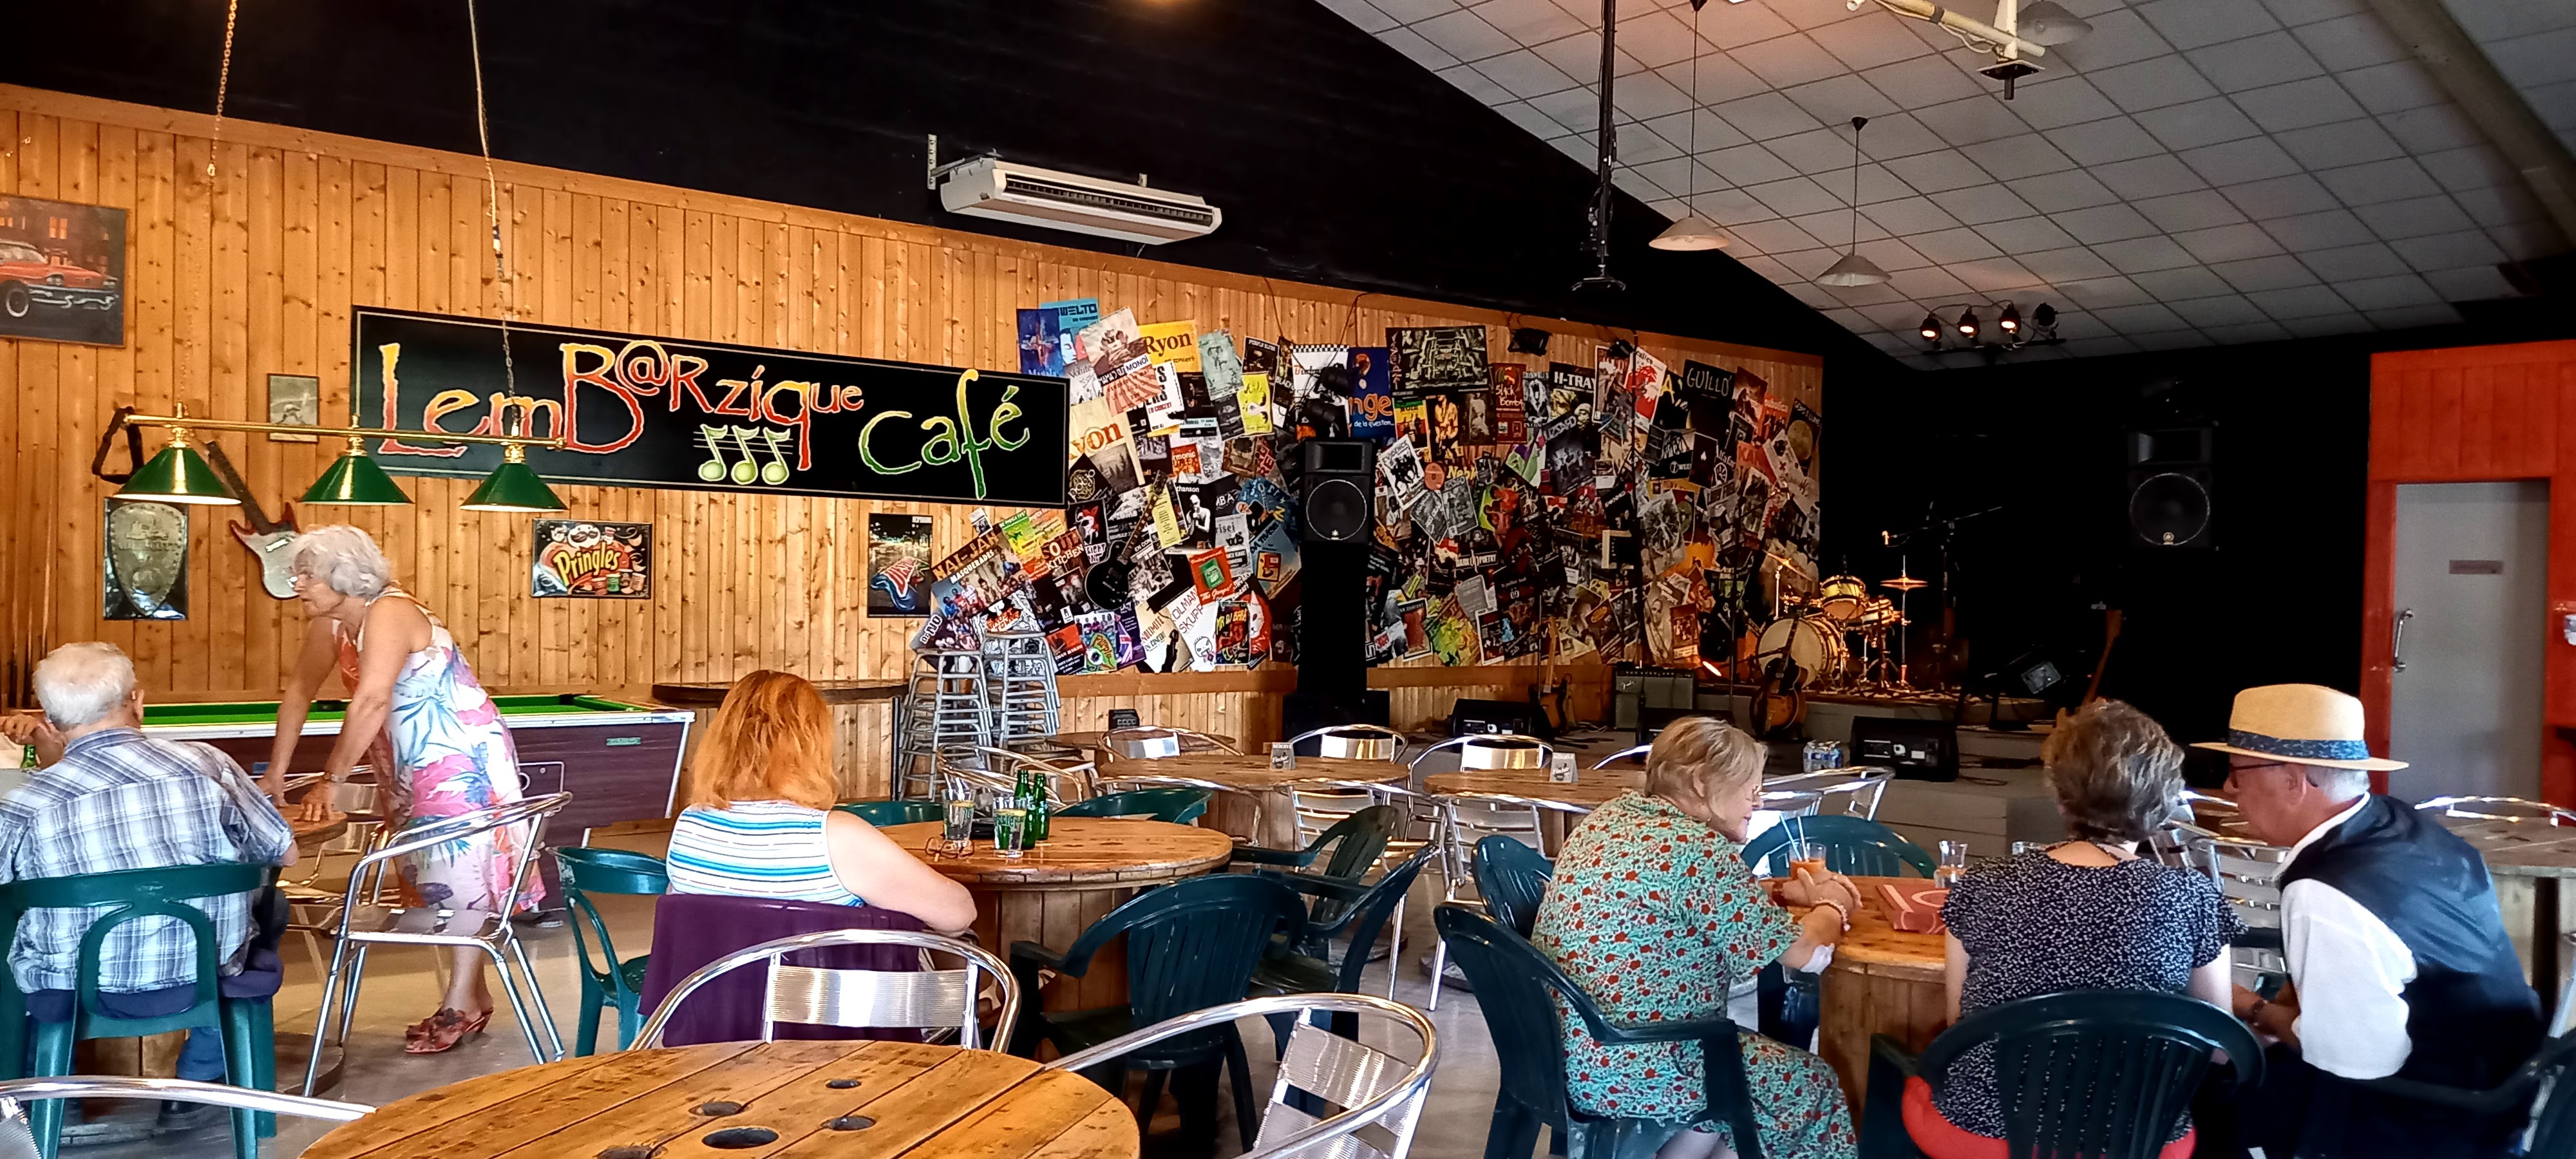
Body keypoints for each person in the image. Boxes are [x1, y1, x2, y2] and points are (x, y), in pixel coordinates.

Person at [2195, 683, 2543, 1158]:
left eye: (2237, 773)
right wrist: (2290, 1005)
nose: (2229, 789)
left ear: (2295, 781)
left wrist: (2252, 1008)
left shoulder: (2325, 890)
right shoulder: (2402, 825)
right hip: (2501, 1084)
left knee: (2206, 1090)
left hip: (2429, 1120)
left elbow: (2349, 1061)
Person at [261, 524, 540, 1055]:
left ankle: (458, 1004)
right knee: (434, 875)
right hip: (405, 758)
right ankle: (474, 996)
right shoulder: (332, 622)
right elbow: (298, 691)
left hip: (455, 754)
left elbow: (371, 700)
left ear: (344, 576)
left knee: (459, 875)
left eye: (307, 575)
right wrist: (276, 772)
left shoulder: (389, 611)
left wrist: (331, 780)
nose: (296, 584)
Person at [1531, 716, 1863, 1159]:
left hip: (1561, 1048)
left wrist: (1784, 892)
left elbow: (1688, 896)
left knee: (1751, 1083)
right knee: (1809, 1087)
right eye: (1750, 787)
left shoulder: (1609, 819)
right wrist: (1832, 904)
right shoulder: (1697, 850)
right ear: (1702, 783)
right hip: (1639, 1061)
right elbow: (1805, 953)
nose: (1757, 800)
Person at [1923, 699, 2242, 1154]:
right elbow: (2218, 1048)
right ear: (2164, 799)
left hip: (1988, 1133)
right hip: (2139, 1139)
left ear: (2059, 794)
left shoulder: (1984, 884)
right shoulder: (2193, 898)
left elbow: (1959, 1026)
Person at [0, 644, 295, 1131]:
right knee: (272, 905)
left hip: (72, 988)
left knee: (17, 931)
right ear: (138, 700)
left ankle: (51, 1091)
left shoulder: (26, 803)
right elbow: (284, 853)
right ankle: (202, 1075)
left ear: (51, 721)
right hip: (205, 971)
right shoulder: (209, 765)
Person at [664, 670, 975, 932]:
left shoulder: (690, 825)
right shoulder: (835, 837)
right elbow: (958, 915)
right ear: (810, 744)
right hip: (817, 989)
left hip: (713, 987)